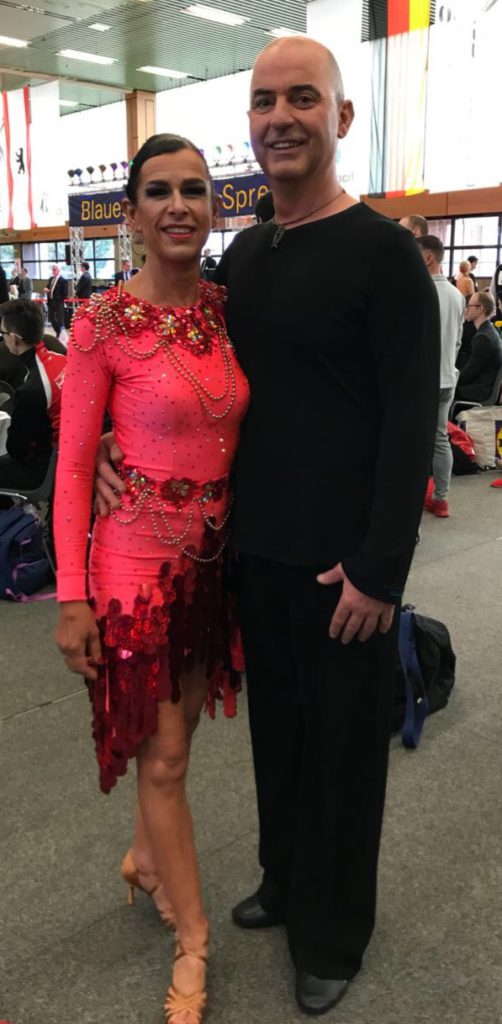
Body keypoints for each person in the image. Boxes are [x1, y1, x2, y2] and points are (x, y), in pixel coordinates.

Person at [95, 38, 440, 1016]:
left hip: (345, 571)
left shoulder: (382, 255)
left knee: (342, 755)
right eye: (262, 102)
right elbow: (186, 382)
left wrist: (381, 568)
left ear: (341, 117)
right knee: (279, 742)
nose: (279, 117)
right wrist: (118, 444)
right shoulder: (245, 256)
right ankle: (286, 882)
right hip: (250, 556)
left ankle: (334, 930)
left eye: (302, 98)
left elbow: (410, 423)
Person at [53, 133, 249, 1024]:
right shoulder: (101, 322)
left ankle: (142, 858)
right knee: (163, 757)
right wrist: (70, 596)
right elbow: (70, 471)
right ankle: (195, 941)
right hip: (132, 569)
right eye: (160, 191)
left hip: (211, 567)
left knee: (179, 744)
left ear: (213, 207)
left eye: (194, 190)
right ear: (130, 214)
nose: (178, 205)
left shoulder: (224, 309)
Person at [417, 234, 464, 517]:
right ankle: (441, 498)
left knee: (414, 440)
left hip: (422, 379)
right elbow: (458, 340)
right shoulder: (457, 295)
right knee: (440, 438)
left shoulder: (419, 291)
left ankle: (412, 499)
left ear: (428, 257)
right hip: (447, 376)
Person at [0, 299, 66, 489]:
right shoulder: (61, 359)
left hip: (48, 468)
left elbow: (16, 449)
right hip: (68, 453)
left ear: (14, 339)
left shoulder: (31, 389)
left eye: (2, 334)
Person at [456, 291, 502, 405]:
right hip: (481, 386)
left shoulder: (483, 338)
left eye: (469, 306)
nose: (466, 309)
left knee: (440, 390)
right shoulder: (489, 331)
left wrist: (451, 380)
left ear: (480, 309)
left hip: (479, 391)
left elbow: (469, 374)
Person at [45, 264, 68, 338]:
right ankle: (58, 331)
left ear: (58, 270)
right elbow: (48, 287)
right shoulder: (51, 279)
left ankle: (61, 335)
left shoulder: (63, 280)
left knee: (60, 320)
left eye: (54, 270)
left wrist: (58, 298)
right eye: (52, 270)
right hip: (50, 301)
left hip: (59, 302)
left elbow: (65, 293)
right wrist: (47, 289)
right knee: (51, 317)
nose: (53, 271)